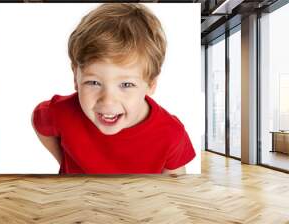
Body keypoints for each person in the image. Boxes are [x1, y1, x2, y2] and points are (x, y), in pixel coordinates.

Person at [32, 3, 195, 174]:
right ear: (75, 77)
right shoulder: (60, 112)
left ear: (151, 84)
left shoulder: (170, 134)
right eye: (93, 82)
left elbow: (174, 186)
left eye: (126, 84)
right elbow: (39, 120)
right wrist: (66, 163)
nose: (108, 100)